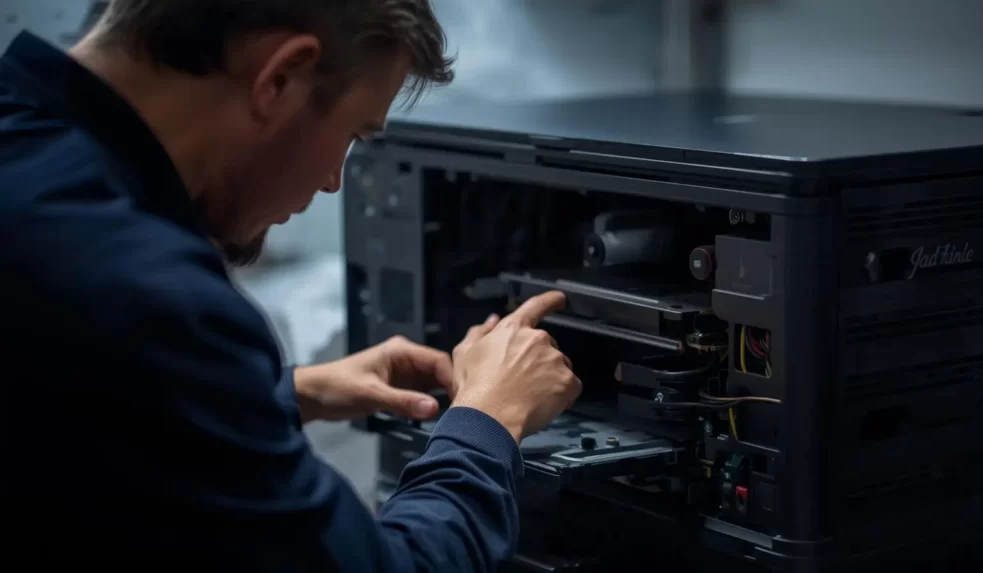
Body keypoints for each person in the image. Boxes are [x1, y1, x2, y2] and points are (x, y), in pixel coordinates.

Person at [0, 1, 581, 571]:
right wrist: (487, 420)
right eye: (353, 133)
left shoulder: (28, 162)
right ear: (280, 79)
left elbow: (82, 401)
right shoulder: (150, 294)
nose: (333, 182)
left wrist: (284, 393)